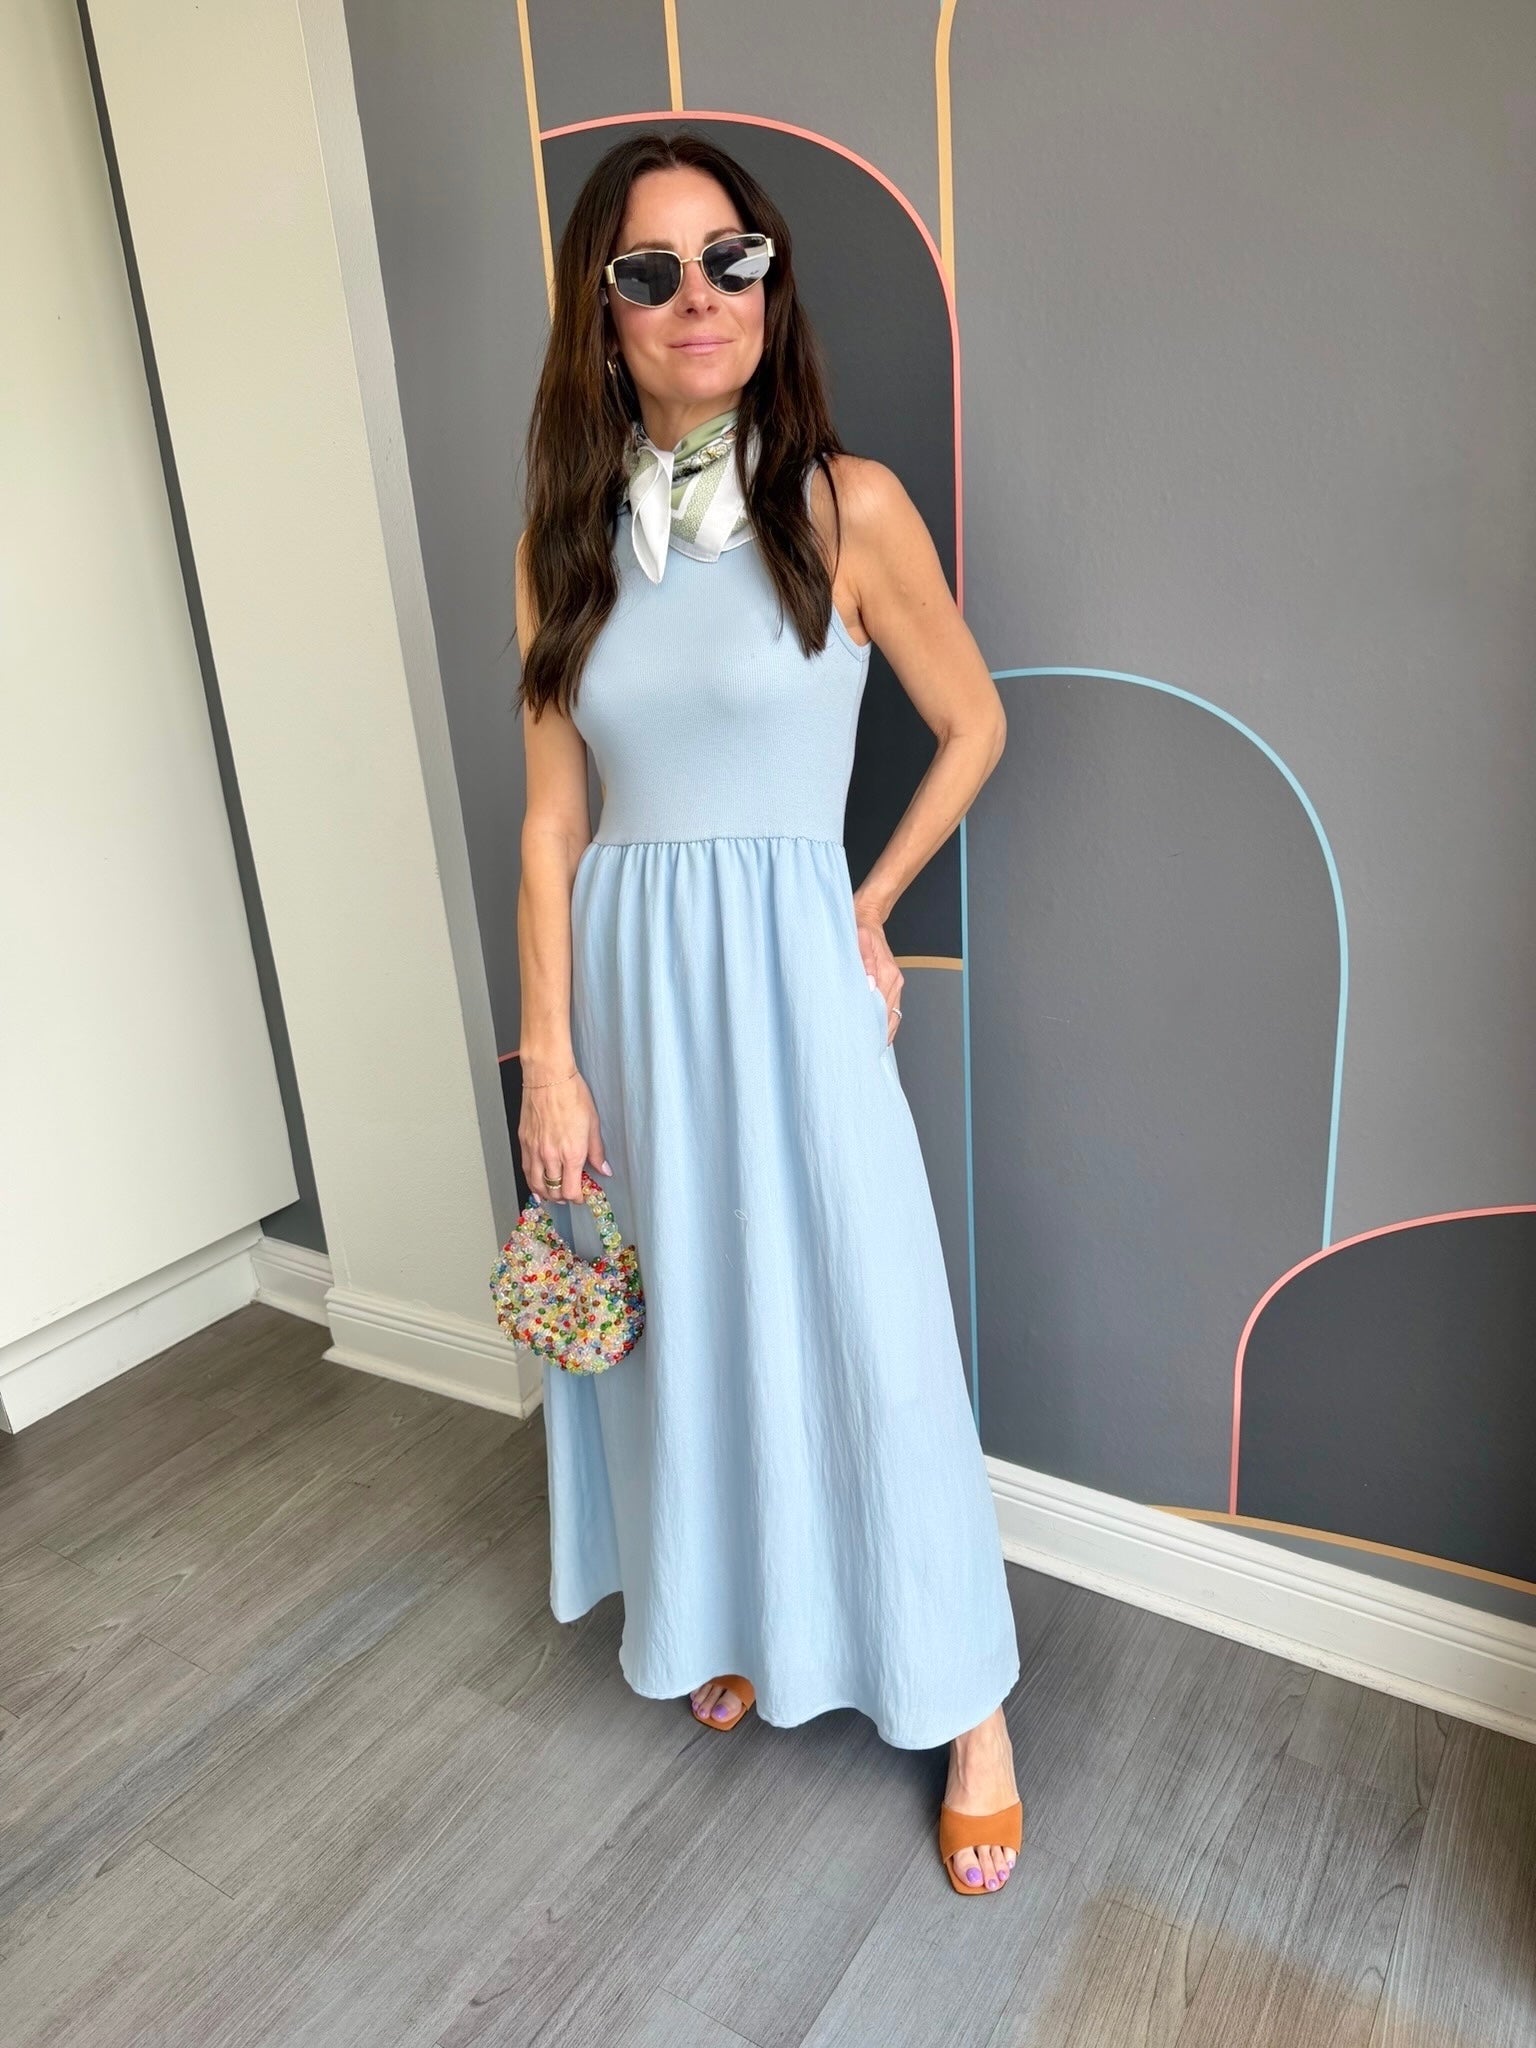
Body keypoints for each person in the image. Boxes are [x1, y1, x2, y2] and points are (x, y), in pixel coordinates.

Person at [513, 129, 1023, 1896]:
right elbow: (553, 820)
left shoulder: (846, 506)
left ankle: (970, 1708)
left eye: (729, 258)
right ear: (601, 312)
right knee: (692, 1324)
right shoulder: (563, 540)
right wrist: (548, 1055)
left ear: (769, 280)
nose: (698, 297)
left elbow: (973, 724)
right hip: (628, 988)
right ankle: (729, 1609)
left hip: (792, 973)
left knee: (868, 1323)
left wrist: (864, 906)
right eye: (649, 271)